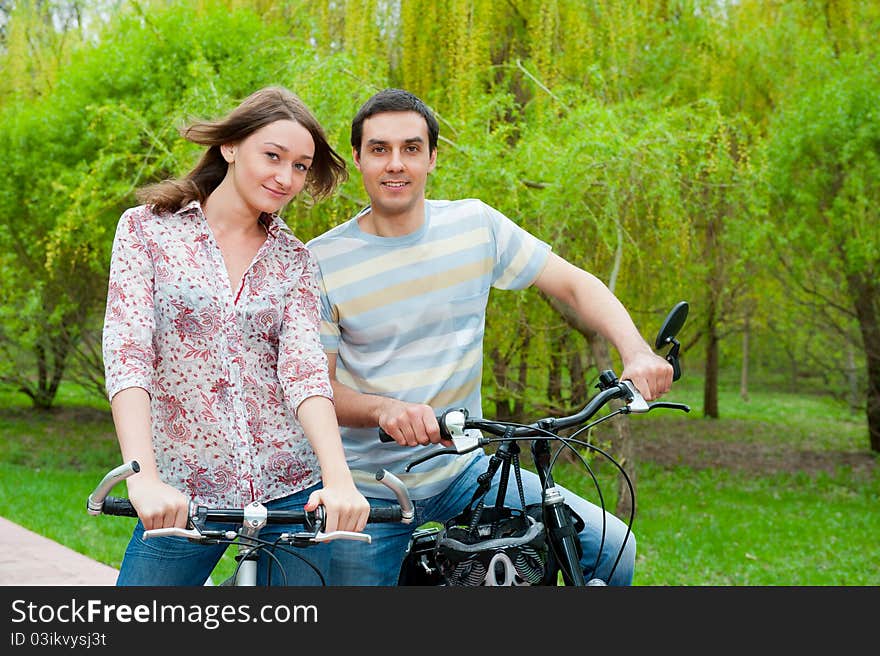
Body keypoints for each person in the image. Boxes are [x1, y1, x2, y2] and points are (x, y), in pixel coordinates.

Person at [306, 88, 674, 586]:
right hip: (369, 486)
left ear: (433, 157)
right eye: (379, 149)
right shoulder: (323, 260)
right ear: (357, 158)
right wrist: (382, 409)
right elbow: (318, 388)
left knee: (610, 547)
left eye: (411, 148)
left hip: (466, 473)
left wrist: (635, 351)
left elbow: (574, 283)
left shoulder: (475, 226)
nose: (396, 164)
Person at [102, 86, 370, 586]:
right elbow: (127, 352)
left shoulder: (294, 260)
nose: (285, 177)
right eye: (273, 156)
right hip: (183, 490)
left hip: (290, 486)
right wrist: (144, 479)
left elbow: (304, 372)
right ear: (230, 147)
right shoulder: (146, 231)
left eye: (300, 166)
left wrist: (337, 477)